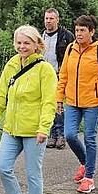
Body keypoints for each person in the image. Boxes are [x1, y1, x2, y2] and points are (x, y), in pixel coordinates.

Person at [0, 26, 57, 194]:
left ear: (37, 44)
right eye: (19, 42)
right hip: (11, 127)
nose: (22, 47)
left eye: (27, 43)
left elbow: (49, 102)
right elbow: (2, 95)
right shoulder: (11, 64)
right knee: (2, 167)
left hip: (34, 130)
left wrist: (44, 128)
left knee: (32, 173)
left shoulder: (44, 70)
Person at [56, 15, 98, 194]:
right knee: (70, 135)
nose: (79, 34)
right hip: (72, 102)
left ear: (92, 31)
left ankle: (89, 177)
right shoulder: (70, 49)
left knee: (90, 138)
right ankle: (85, 162)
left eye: (82, 30)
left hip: (93, 103)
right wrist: (59, 99)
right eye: (76, 30)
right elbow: (63, 76)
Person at [41, 8, 74, 147]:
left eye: (51, 18)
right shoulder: (40, 36)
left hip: (59, 74)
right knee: (48, 105)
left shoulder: (66, 36)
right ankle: (52, 134)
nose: (48, 21)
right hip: (44, 75)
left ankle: (61, 135)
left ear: (57, 20)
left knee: (59, 105)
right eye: (47, 18)